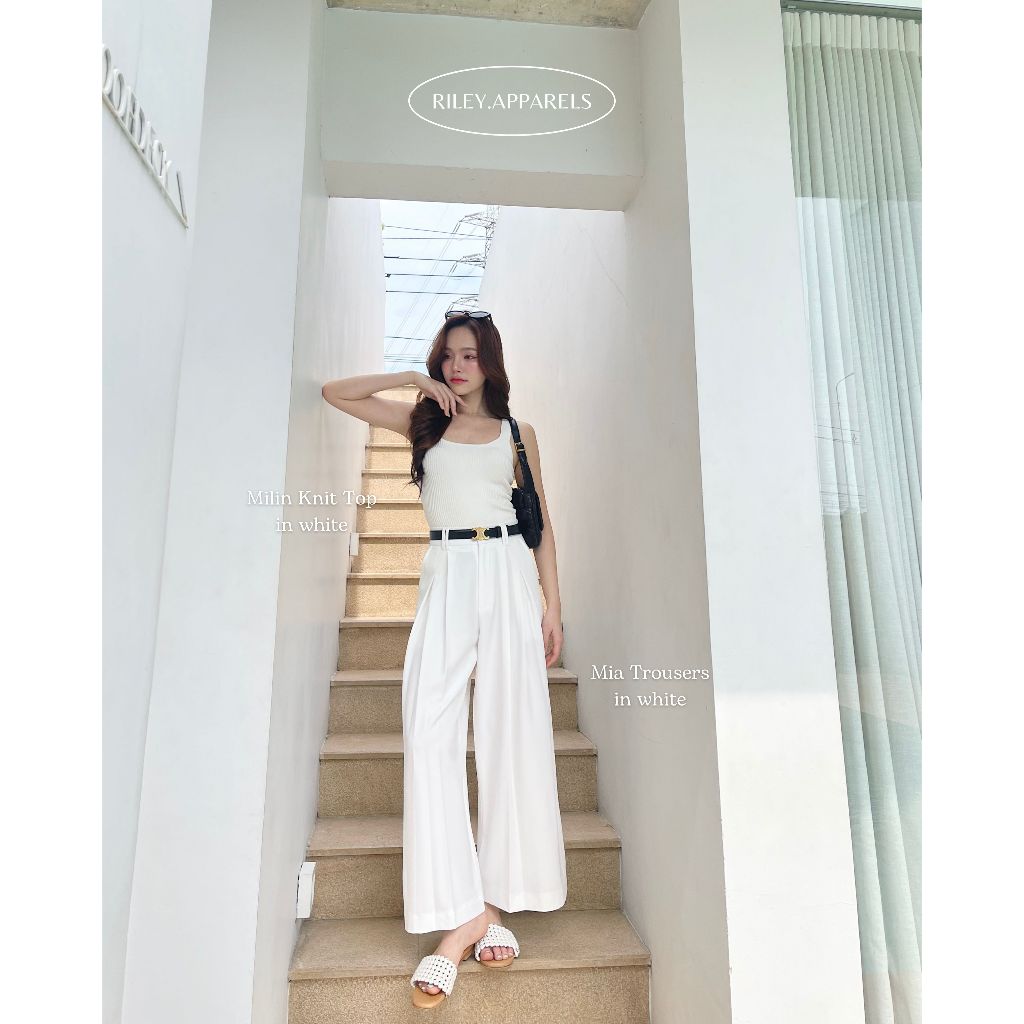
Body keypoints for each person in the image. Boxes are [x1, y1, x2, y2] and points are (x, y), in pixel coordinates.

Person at [321, 310, 567, 1009]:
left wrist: (553, 606)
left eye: (470, 356)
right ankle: (463, 909)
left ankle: (485, 910)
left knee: (510, 734)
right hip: (448, 571)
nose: (458, 367)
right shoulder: (421, 422)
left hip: (508, 571)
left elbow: (542, 525)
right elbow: (336, 393)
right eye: (448, 356)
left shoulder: (518, 434)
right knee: (429, 730)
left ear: (491, 364)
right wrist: (410, 376)